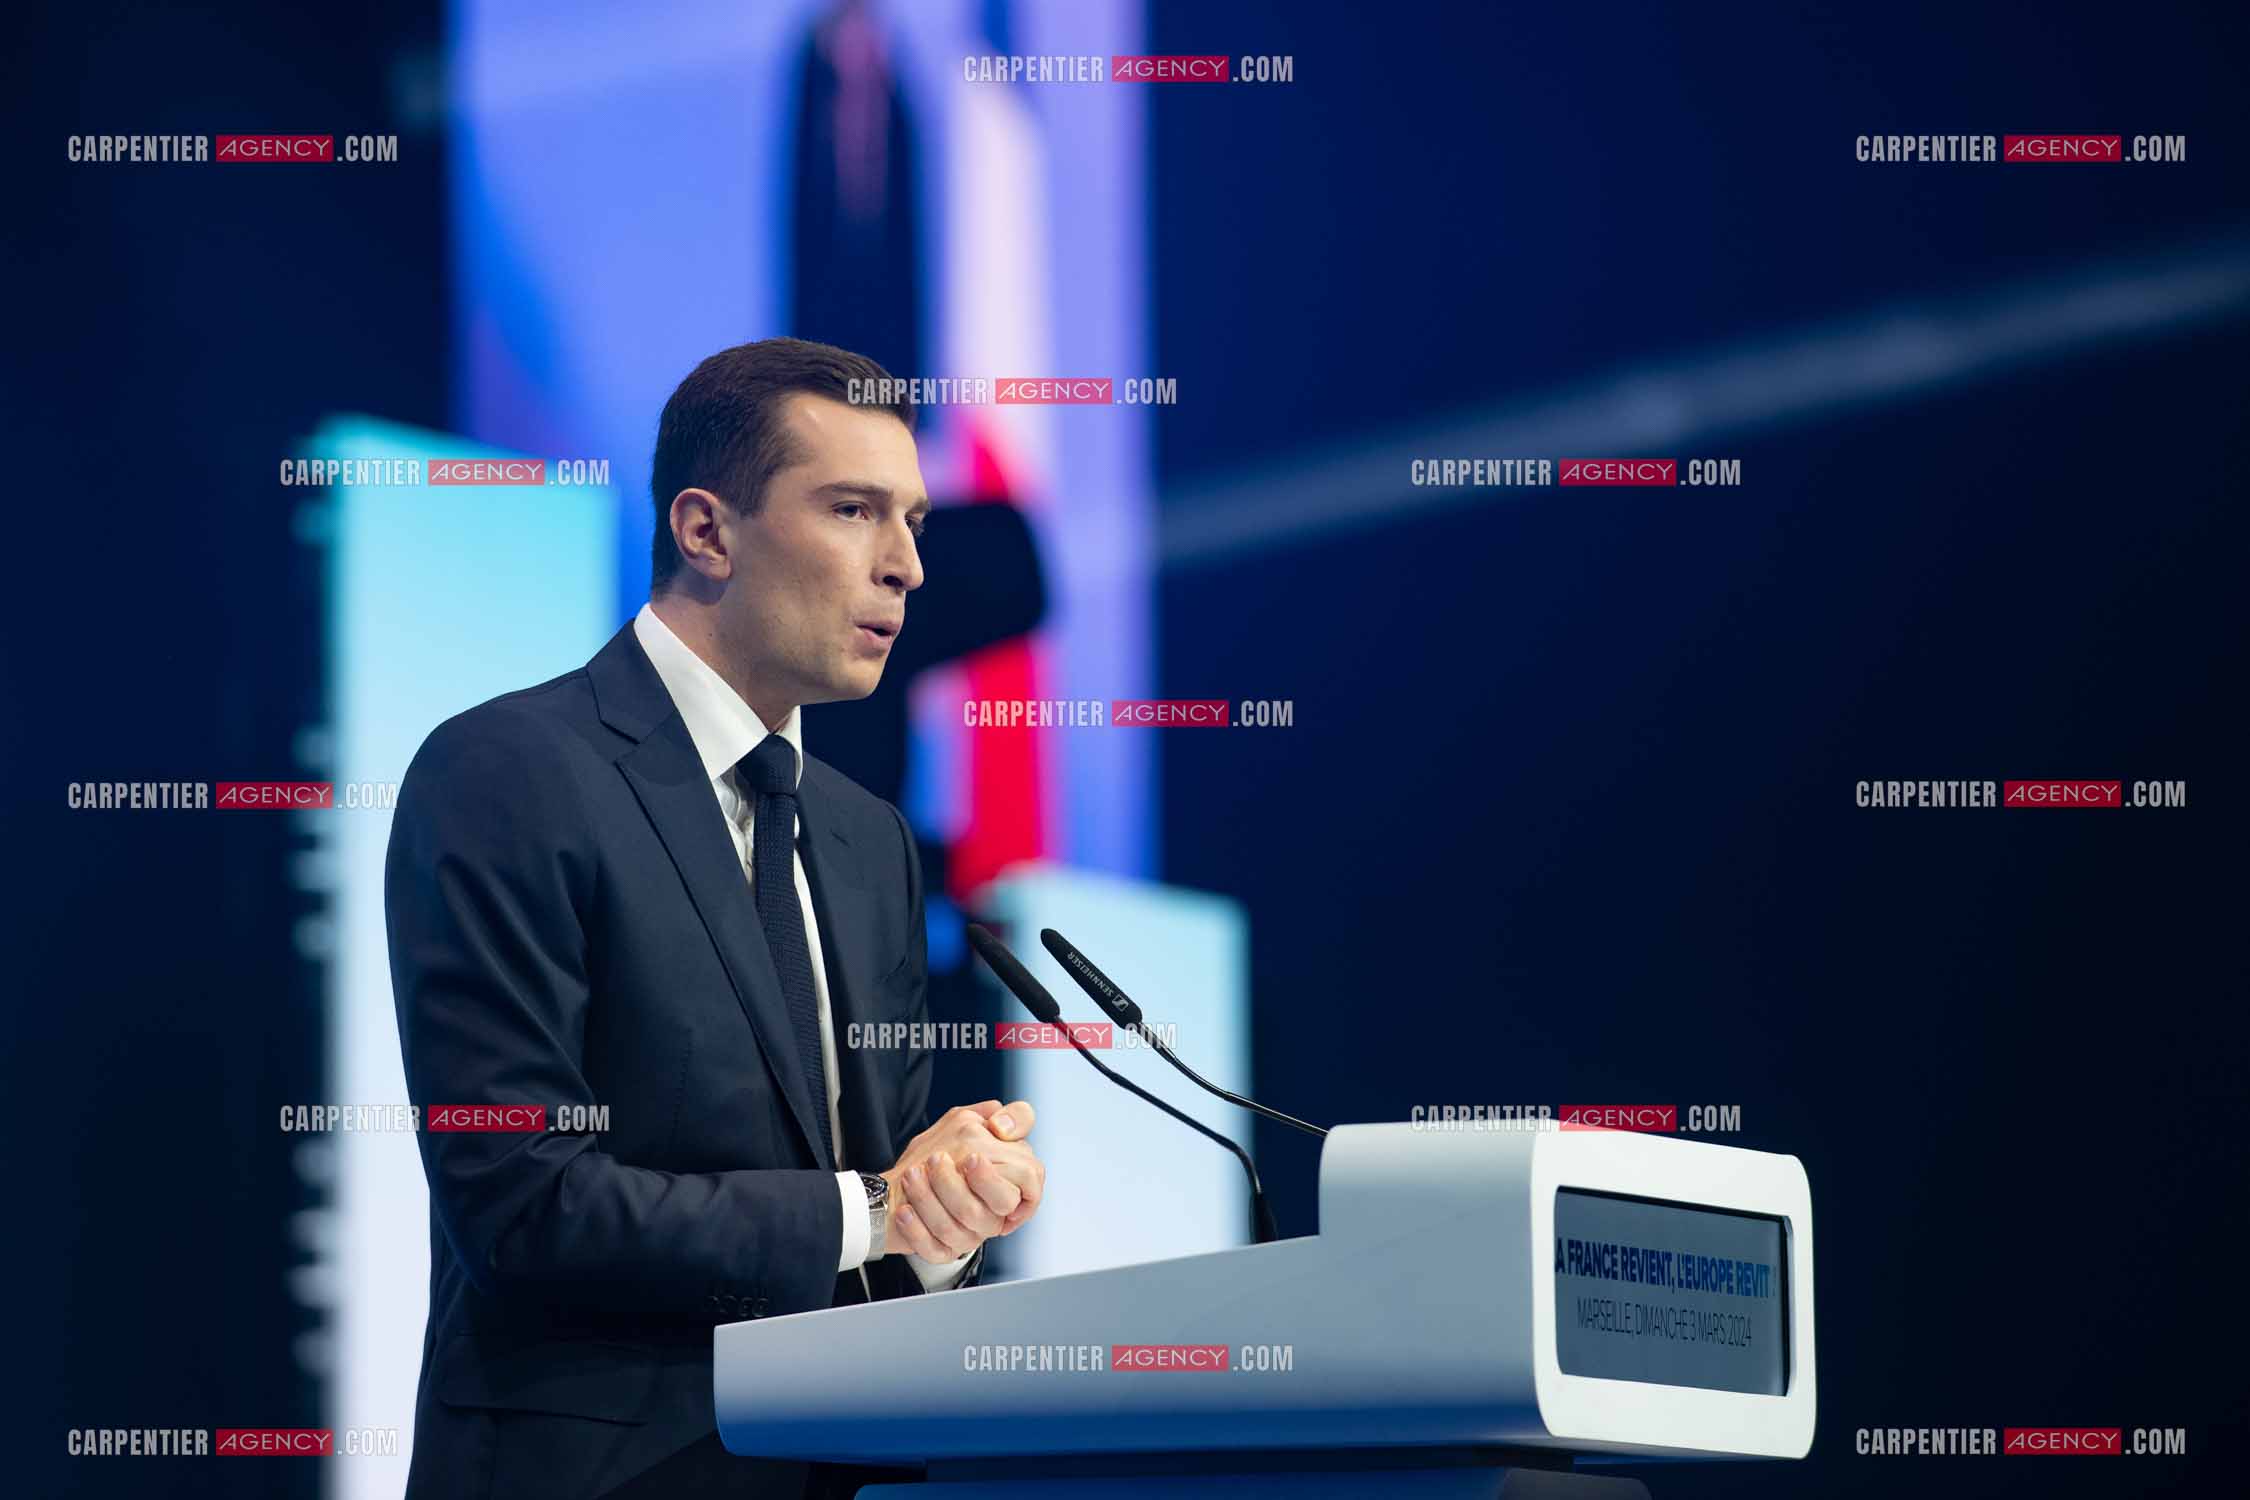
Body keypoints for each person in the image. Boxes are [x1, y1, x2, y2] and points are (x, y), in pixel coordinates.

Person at [386, 337, 1046, 1498]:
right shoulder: (509, 770)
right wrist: (879, 1208)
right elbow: (524, 1204)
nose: (906, 568)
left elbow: (879, 1220)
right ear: (706, 532)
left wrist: (944, 1215)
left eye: (914, 523)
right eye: (853, 510)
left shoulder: (869, 838)